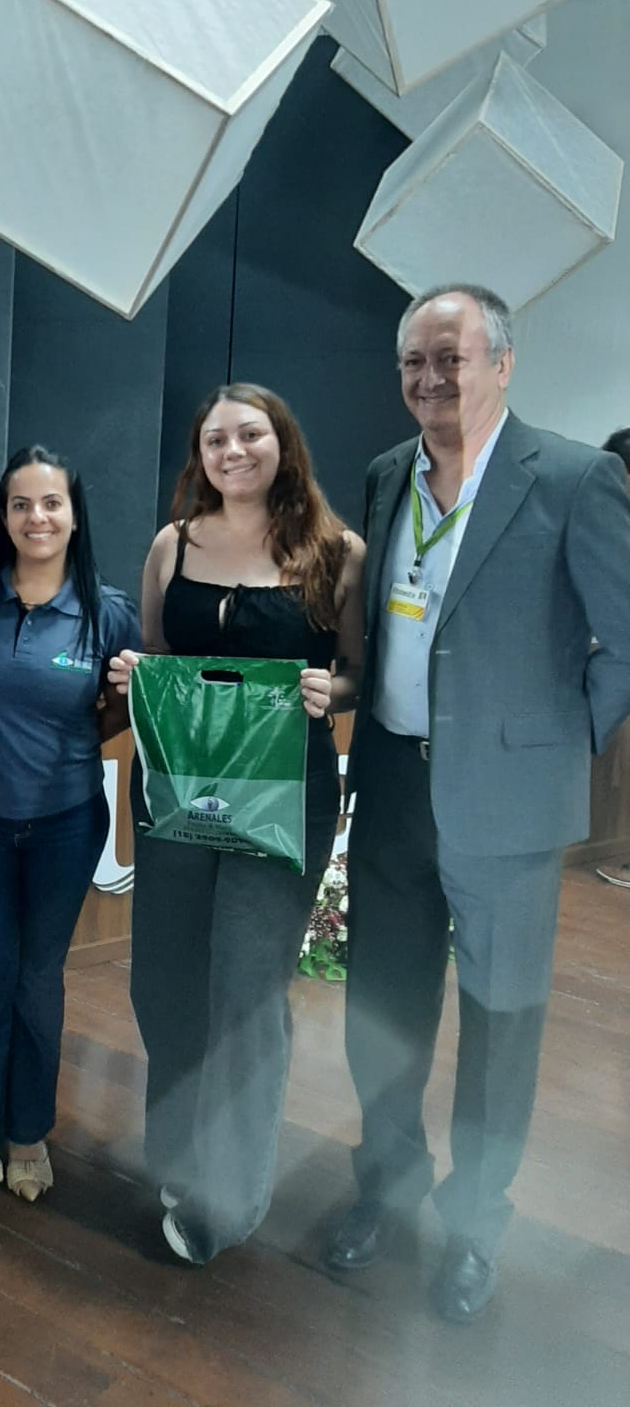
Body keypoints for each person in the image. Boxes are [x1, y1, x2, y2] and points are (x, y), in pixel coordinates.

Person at [324, 285, 630, 1324]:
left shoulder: (577, 478)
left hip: (509, 802)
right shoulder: (385, 475)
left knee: (501, 1024)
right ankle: (385, 1186)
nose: (430, 379)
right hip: (394, 784)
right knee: (383, 1009)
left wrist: (560, 743)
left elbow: (625, 639)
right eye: (414, 360)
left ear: (502, 363)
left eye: (450, 357)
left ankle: (475, 1224)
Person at [109, 384, 364, 1266]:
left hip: (283, 799)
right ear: (200, 455)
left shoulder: (337, 552)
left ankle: (228, 1193)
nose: (233, 451)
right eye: (216, 439)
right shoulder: (172, 545)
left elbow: (361, 674)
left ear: (282, 442)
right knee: (165, 981)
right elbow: (160, 657)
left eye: (250, 434)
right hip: (179, 790)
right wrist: (135, 672)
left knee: (247, 994)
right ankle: (180, 1156)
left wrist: (334, 690)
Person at [0, 446, 140, 1202]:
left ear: (75, 516)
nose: (36, 517)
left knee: (37, 980)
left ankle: (27, 1134)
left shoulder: (108, 610)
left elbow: (120, 712)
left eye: (52, 503)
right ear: (3, 515)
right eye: (21, 504)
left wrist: (121, 699)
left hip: (66, 825)